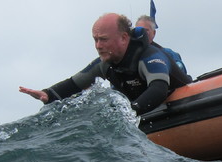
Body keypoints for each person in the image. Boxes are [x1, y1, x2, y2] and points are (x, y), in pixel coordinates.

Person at [19, 12, 190, 114]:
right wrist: (47, 94)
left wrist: (128, 112)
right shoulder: (104, 63)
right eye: (95, 40)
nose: (98, 46)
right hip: (147, 113)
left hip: (186, 106)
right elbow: (74, 83)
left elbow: (158, 89)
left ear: (124, 38)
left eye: (104, 40)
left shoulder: (149, 56)